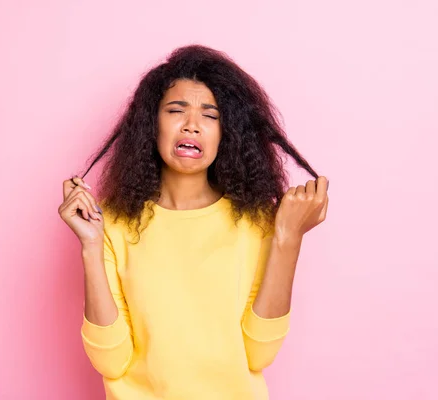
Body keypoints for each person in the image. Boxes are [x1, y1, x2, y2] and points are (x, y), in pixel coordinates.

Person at [58, 45, 329, 400]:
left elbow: (260, 353)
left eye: (211, 116)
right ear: (151, 125)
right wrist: (91, 246)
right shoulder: (114, 223)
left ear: (227, 133)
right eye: (176, 110)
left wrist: (288, 237)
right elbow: (111, 361)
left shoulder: (257, 222)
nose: (192, 125)